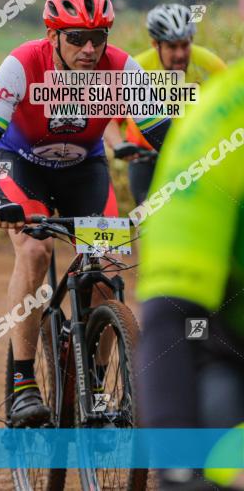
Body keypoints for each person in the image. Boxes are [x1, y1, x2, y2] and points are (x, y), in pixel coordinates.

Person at [0, 0, 170, 427]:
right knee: (35, 251)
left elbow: (169, 140)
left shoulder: (123, 68)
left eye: (98, 37)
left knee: (106, 266)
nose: (89, 48)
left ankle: (92, 381)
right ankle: (22, 383)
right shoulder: (21, 64)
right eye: (76, 37)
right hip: (19, 165)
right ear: (52, 35)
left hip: (84, 169)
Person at [136, 59, 244, 490]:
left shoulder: (207, 64)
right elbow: (171, 316)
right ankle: (25, 375)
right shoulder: (220, 121)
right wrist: (177, 473)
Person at [104, 3, 226, 204]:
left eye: (185, 45)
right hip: (145, 159)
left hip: (195, 158)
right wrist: (119, 145)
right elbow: (110, 116)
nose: (180, 54)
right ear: (155, 44)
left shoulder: (210, 65)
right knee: (148, 222)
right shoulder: (137, 68)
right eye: (172, 46)